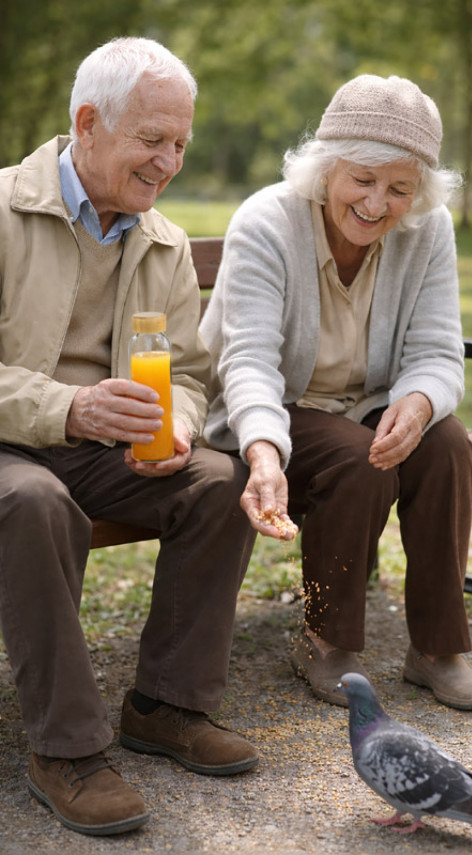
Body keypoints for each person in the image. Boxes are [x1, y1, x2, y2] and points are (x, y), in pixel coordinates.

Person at [0, 37, 259, 837]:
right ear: (87, 123)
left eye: (180, 142)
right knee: (35, 500)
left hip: (107, 449)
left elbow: (185, 371)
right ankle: (67, 749)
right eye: (153, 139)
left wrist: (178, 422)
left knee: (219, 483)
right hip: (14, 443)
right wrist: (68, 408)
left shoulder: (165, 242)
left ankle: (167, 705)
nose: (169, 161)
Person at [200, 74, 472, 713]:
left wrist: (417, 404)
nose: (377, 202)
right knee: (355, 458)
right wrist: (263, 451)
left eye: (399, 188)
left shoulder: (428, 230)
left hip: (366, 406)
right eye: (362, 178)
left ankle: (438, 649)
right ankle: (323, 640)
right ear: (326, 167)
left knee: (446, 444)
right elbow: (245, 360)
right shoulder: (267, 220)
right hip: (270, 410)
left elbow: (438, 351)